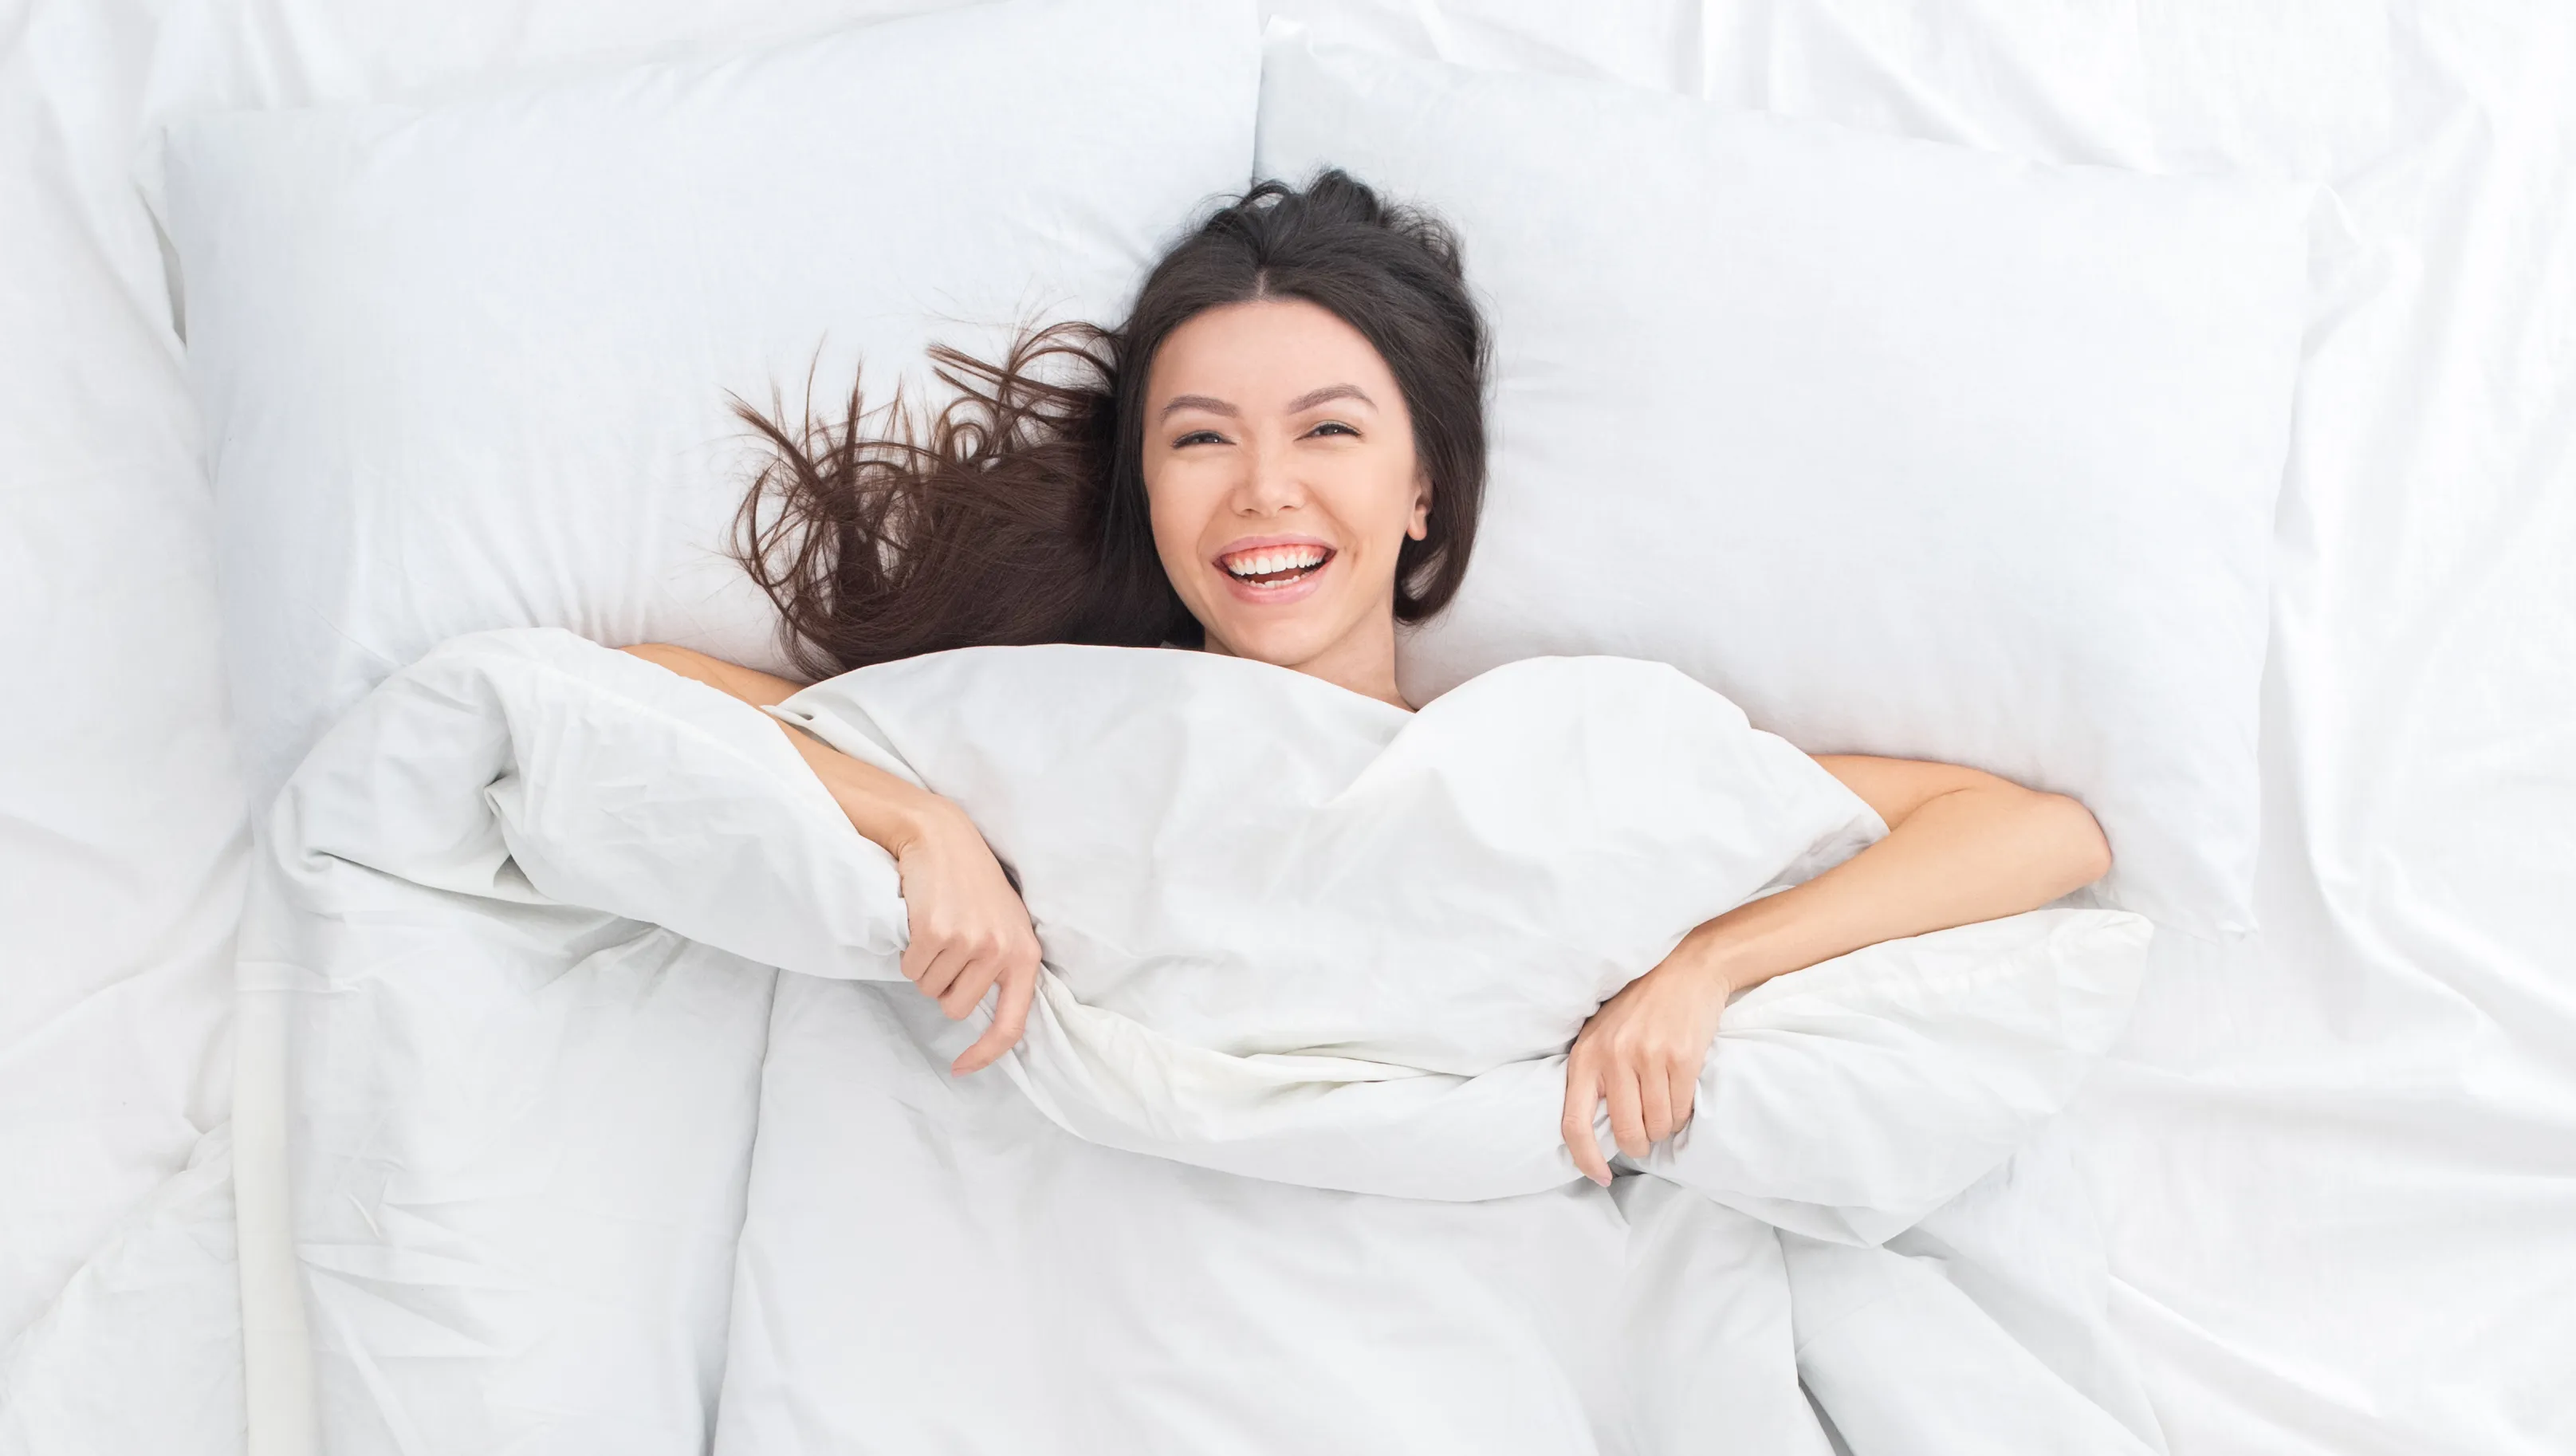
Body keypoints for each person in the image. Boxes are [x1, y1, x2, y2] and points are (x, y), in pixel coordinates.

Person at [624, 167, 2112, 1187]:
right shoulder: (1058, 725)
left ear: (1421, 491)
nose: (1262, 492)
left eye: (1327, 432)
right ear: (1143, 486)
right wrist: (919, 825)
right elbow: (625, 694)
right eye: (1200, 439)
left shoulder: (1577, 745)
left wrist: (1707, 966)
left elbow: (2042, 835)